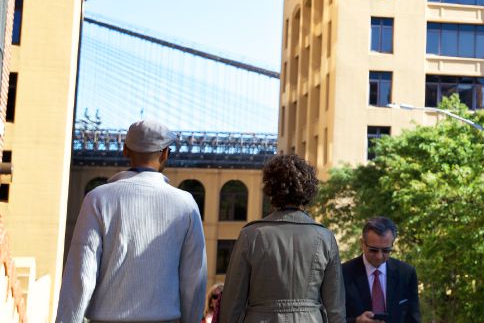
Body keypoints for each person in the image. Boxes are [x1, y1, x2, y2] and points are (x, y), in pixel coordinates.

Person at [57, 119, 207, 323]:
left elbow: (80, 276)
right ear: (165, 154)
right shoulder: (186, 204)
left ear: (125, 150)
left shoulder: (97, 199)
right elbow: (193, 281)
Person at [220, 154, 345, 323]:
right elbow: (335, 308)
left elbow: (232, 302)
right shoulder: (325, 237)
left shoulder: (251, 235)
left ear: (271, 189)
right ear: (309, 190)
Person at [342, 217, 420, 323]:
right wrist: (356, 321)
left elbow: (413, 318)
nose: (379, 256)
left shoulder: (406, 273)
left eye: (386, 250)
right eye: (373, 250)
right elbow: (331, 318)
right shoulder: (343, 274)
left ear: (392, 245)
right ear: (362, 243)